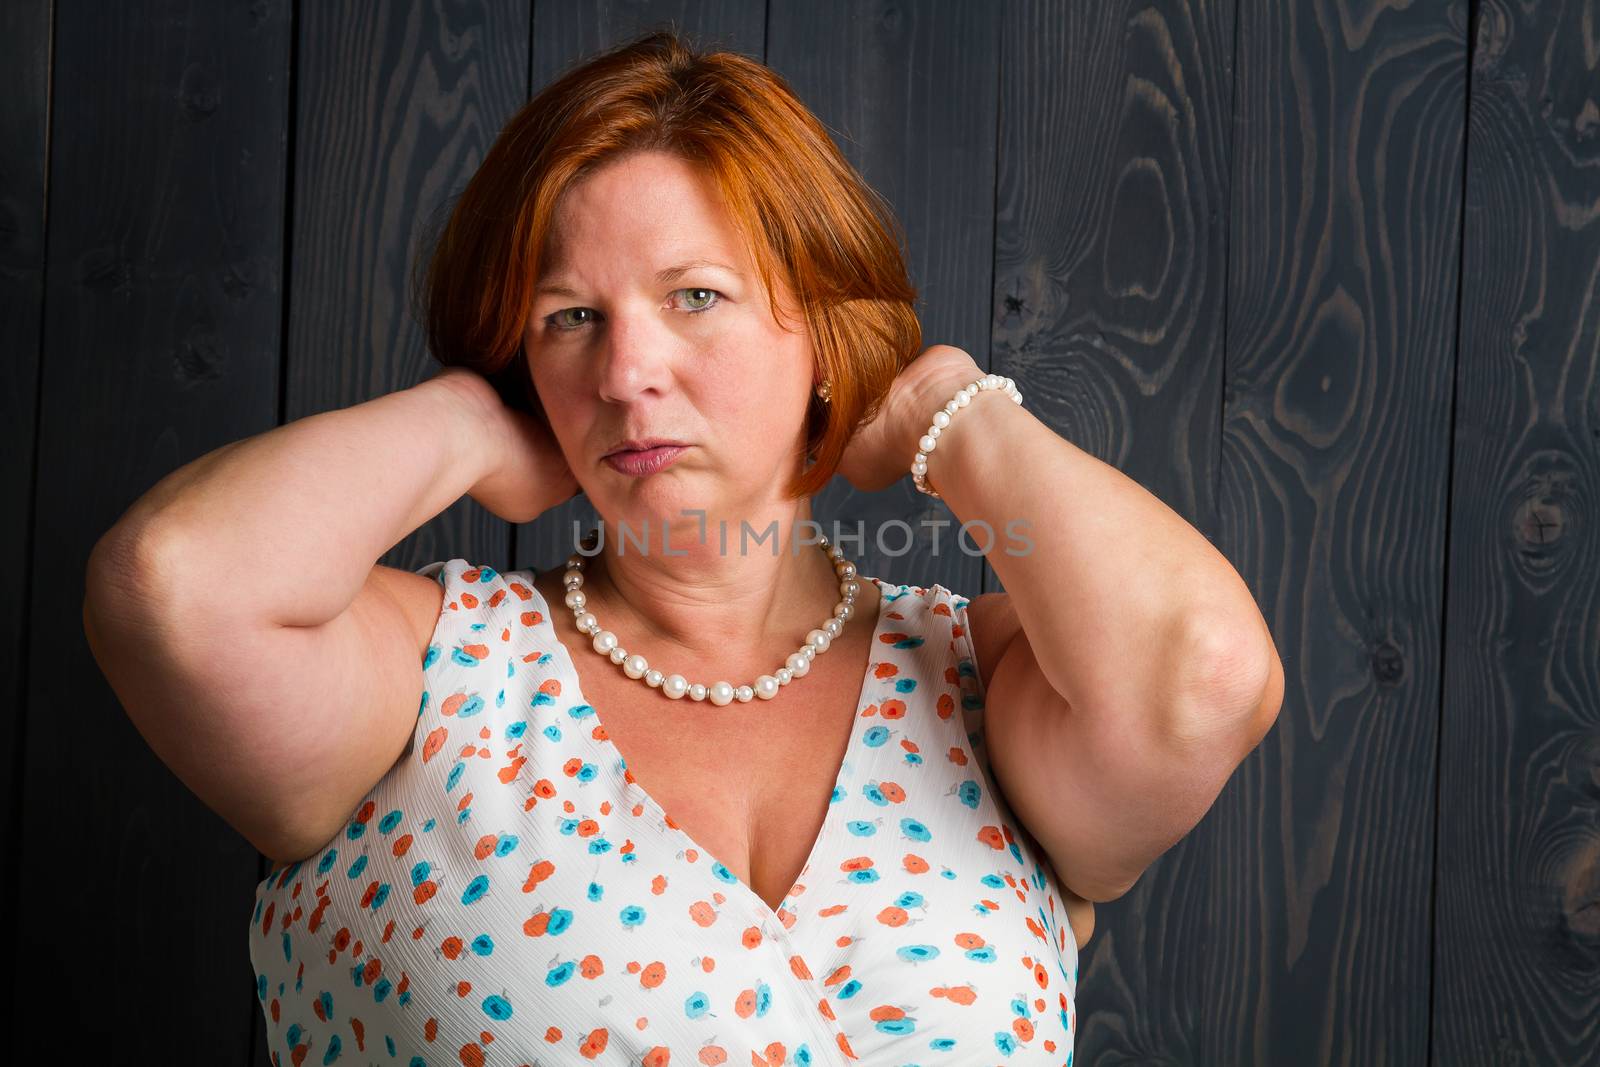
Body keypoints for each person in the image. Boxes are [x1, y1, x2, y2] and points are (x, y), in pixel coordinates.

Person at [83, 29, 1282, 1067]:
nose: (623, 372)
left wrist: (947, 417)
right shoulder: (429, 679)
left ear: (822, 328)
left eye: (694, 296)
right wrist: (463, 419)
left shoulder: (992, 688)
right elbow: (170, 586)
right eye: (570, 318)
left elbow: (1204, 679)